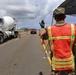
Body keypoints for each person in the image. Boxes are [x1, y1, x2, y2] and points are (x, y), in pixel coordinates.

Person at [39, 7, 76, 75]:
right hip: (70, 64)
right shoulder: (73, 28)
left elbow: (43, 37)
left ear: (54, 18)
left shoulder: (49, 29)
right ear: (65, 17)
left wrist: (42, 28)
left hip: (56, 66)